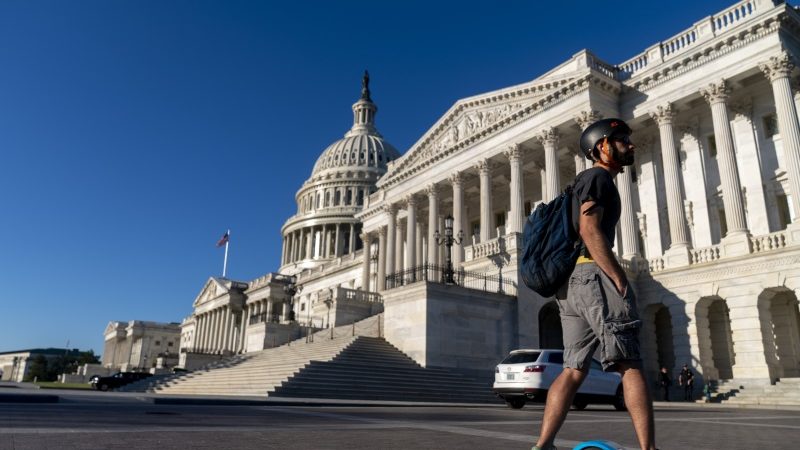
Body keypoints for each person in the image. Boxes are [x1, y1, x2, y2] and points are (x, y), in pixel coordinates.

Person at [533, 118, 657, 450]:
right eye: (622, 139)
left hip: (570, 287)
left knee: (573, 369)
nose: (630, 144)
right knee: (629, 362)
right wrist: (617, 276)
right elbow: (589, 229)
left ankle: (543, 445)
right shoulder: (598, 178)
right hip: (593, 277)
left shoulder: (583, 182)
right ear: (602, 146)